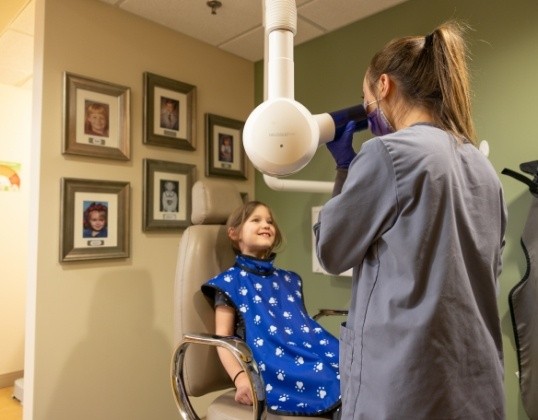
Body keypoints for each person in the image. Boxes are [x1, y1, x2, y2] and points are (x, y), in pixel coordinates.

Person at [314, 21, 507, 419]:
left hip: (406, 387)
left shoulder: (390, 152)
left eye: (366, 100)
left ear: (383, 86)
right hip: (476, 386)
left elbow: (331, 251)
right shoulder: (483, 168)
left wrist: (345, 168)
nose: (369, 112)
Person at [202, 201, 341, 417]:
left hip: (305, 352)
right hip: (273, 366)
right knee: (331, 378)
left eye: (269, 221)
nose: (266, 225)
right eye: (256, 220)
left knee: (353, 362)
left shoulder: (288, 279)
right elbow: (223, 341)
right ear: (234, 233)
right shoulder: (229, 283)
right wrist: (241, 379)